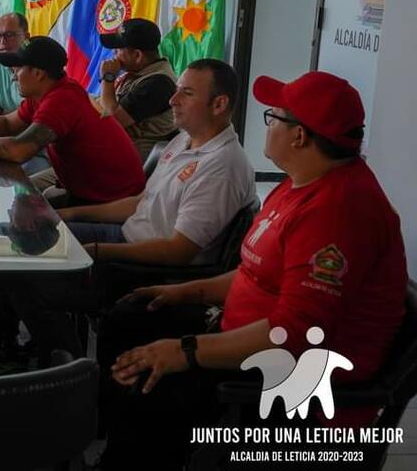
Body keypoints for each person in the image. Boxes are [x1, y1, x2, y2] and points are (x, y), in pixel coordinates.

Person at [96, 71, 407, 469]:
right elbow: (255, 273)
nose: (267, 123)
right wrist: (186, 292)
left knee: (147, 383)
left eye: (273, 116)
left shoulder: (337, 211)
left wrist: (185, 351)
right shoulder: (299, 183)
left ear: (299, 136)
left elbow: (293, 335)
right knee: (129, 319)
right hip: (245, 336)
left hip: (292, 384)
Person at [59, 59, 256, 266]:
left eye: (187, 93)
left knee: (41, 254)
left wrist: (97, 251)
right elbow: (140, 203)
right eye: (177, 90)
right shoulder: (183, 140)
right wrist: (71, 213)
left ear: (219, 104)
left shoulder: (222, 168)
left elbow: (178, 251)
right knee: (43, 232)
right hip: (125, 236)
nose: (173, 100)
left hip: (140, 266)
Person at [0, 36, 145, 206]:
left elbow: (18, 150)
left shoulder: (62, 100)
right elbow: (8, 123)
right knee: (22, 196)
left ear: (38, 73)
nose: (13, 77)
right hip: (85, 188)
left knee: (23, 202)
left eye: (17, 69)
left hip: (113, 199)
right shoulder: (46, 92)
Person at [97, 18, 178, 160]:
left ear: (137, 55)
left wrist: (108, 77)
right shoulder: (140, 72)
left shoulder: (157, 83)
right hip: (110, 150)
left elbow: (111, 120)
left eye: (119, 49)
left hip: (124, 159)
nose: (114, 53)